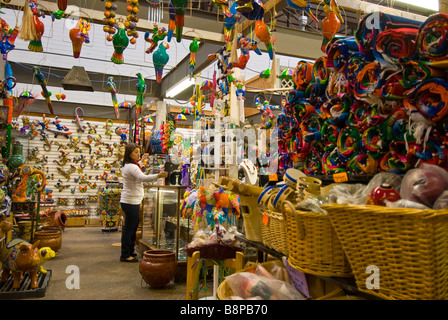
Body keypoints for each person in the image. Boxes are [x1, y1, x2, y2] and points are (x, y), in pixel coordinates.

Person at [119, 143, 168, 262]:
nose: (138, 153)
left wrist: (141, 161)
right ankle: (125, 255)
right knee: (130, 228)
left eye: (138, 151)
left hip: (130, 201)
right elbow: (142, 177)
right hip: (131, 201)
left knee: (132, 227)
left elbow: (136, 172)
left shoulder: (130, 165)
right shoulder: (132, 167)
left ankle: (129, 251)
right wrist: (158, 175)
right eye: (135, 152)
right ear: (129, 154)